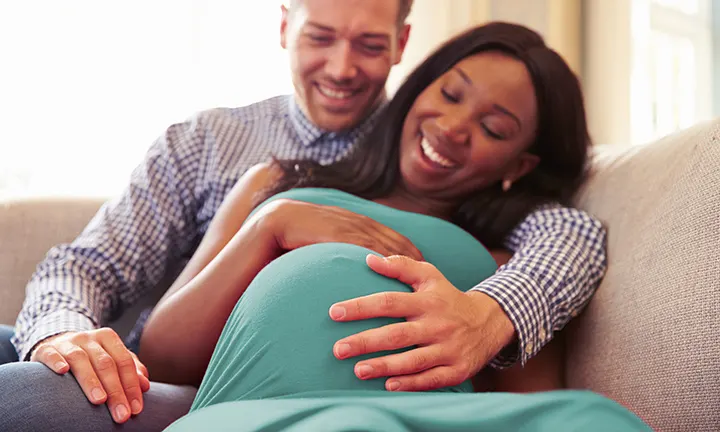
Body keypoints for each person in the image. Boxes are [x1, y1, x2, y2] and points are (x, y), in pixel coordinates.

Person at [0, 0, 607, 431]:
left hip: (251, 398)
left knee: (24, 400)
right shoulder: (253, 165)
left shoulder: (503, 242)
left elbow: (571, 243)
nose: (343, 69)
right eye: (321, 37)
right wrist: (272, 223)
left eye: (369, 44)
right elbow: (92, 270)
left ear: (401, 47)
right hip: (159, 367)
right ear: (285, 26)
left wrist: (492, 311)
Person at [149, 21, 649, 431]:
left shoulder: (508, 263)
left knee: (594, 419)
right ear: (417, 87)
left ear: (518, 166)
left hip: (424, 418)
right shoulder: (277, 183)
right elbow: (161, 357)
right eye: (451, 95)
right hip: (263, 417)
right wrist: (269, 227)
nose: (453, 128)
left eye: (493, 128)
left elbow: (527, 404)